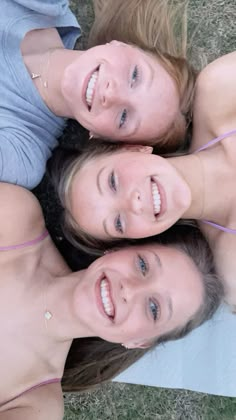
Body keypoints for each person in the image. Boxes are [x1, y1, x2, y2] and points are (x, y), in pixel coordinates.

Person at [0, 183, 221, 418]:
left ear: (138, 341)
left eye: (153, 308)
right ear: (117, 250)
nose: (130, 290)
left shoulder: (34, 403)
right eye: (143, 265)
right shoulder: (14, 216)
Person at [0, 0, 195, 189]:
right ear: (122, 45)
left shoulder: (22, 154)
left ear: (101, 137)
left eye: (124, 117)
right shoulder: (43, 5)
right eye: (135, 75)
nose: (112, 94)